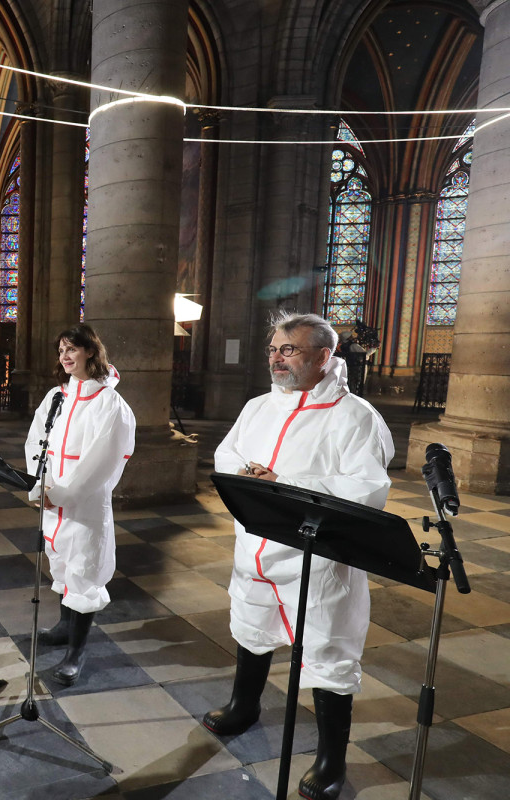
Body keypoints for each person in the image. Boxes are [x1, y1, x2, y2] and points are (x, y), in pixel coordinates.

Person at [205, 311, 394, 800]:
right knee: (251, 624)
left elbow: (367, 489)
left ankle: (331, 758)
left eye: (288, 350)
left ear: (324, 356)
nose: (275, 358)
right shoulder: (258, 407)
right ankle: (243, 705)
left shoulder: (355, 417)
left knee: (328, 650)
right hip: (257, 546)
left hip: (317, 558)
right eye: (273, 349)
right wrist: (248, 473)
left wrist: (284, 485)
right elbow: (226, 456)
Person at [25, 323, 136, 686]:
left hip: (84, 504)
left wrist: (64, 493)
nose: (65, 356)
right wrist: (40, 483)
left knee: (84, 570)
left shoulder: (110, 403)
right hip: (53, 497)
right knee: (60, 561)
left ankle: (77, 651)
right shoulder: (57, 396)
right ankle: (62, 626)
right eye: (61, 351)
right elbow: (36, 442)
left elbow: (103, 460)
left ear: (90, 350)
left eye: (71, 348)